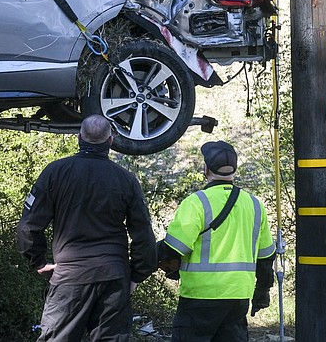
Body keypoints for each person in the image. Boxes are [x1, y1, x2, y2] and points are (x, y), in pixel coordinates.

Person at [16, 114, 157, 342]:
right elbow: (143, 234)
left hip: (69, 277)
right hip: (113, 277)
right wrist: (137, 275)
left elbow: (28, 226)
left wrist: (38, 262)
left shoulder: (55, 172)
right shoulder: (126, 180)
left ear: (79, 138)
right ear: (110, 141)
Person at [158, 140, 276, 342]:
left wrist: (146, 262)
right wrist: (263, 290)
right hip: (238, 297)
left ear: (206, 168)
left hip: (199, 297)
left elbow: (173, 248)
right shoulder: (255, 205)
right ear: (234, 169)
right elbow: (266, 256)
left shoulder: (197, 202)